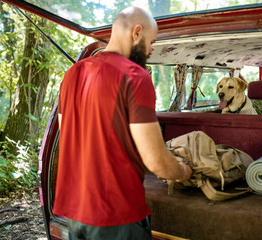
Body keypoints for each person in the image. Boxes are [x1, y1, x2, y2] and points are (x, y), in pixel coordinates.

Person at [53, 6, 192, 240]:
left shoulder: (72, 74)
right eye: (151, 42)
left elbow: (66, 133)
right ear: (136, 33)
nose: (150, 50)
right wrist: (182, 171)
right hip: (116, 216)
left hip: (74, 213)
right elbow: (156, 162)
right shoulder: (135, 76)